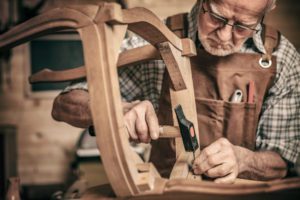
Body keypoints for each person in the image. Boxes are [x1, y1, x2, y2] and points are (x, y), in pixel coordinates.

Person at [51, 0, 300, 183]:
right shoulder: (152, 39)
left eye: (243, 27)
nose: (224, 35)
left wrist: (245, 160)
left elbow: (284, 157)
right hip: (169, 192)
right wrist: (115, 110)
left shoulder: (281, 57)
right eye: (216, 17)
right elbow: (65, 102)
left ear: (265, 13)